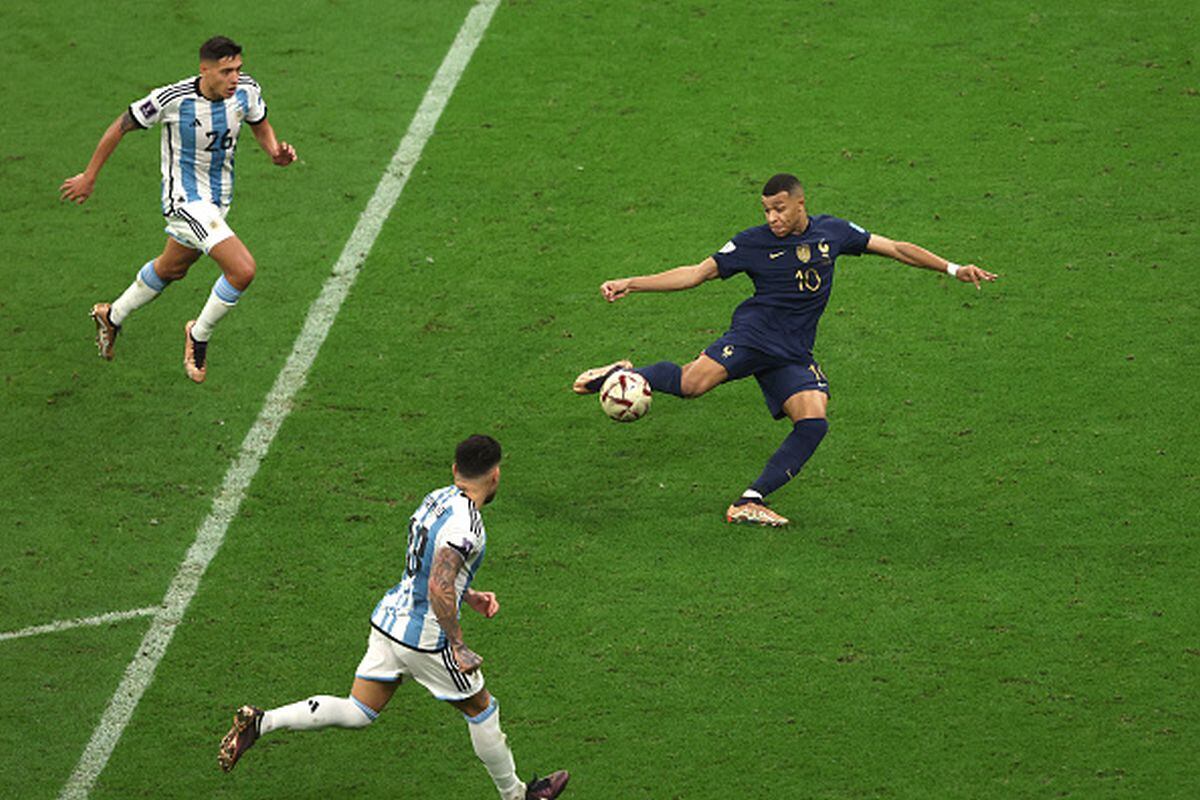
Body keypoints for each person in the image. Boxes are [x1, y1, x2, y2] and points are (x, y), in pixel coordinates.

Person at [574, 173, 998, 527]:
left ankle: (749, 501)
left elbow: (895, 248)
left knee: (813, 423)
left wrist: (953, 268)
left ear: (800, 204)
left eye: (779, 209)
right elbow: (695, 274)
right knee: (690, 385)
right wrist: (632, 283)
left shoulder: (833, 232)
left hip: (792, 351)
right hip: (753, 336)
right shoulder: (752, 243)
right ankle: (624, 374)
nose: (772, 218)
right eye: (766, 210)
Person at [217, 435, 570, 800]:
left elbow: (429, 567)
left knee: (358, 710)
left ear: (455, 470)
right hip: (426, 639)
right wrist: (458, 645)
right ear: (495, 476)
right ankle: (516, 796)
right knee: (481, 709)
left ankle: (263, 721)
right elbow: (438, 584)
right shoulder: (468, 526)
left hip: (390, 621)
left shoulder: (436, 499)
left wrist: (468, 594)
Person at [60, 35, 297, 383]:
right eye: (226, 71)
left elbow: (260, 125)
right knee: (242, 270)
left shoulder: (246, 90)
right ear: (205, 70)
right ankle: (198, 335)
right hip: (185, 202)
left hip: (218, 201)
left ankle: (111, 316)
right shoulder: (172, 99)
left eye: (238, 69)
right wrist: (89, 176)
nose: (234, 78)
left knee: (172, 268)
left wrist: (275, 152)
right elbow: (121, 126)